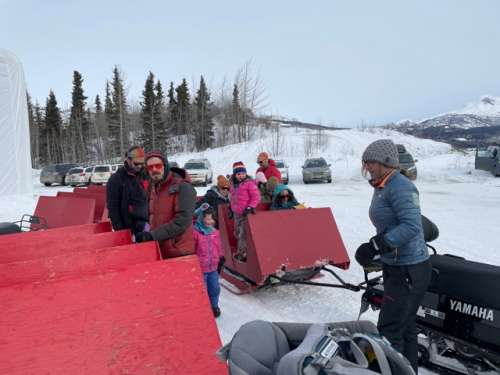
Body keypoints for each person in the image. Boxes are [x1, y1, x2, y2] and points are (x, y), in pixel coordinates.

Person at [355, 139, 431, 374]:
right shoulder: (382, 185)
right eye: (365, 162)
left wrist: (378, 244)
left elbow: (411, 226)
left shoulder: (401, 186)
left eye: (370, 162)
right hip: (397, 266)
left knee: (389, 331)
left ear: (386, 162)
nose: (367, 167)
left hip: (409, 269)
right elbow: (391, 223)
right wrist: (378, 250)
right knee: (405, 327)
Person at [134, 151, 197, 259]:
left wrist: (153, 236)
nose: (154, 170)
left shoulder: (183, 187)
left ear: (165, 166)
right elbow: (152, 214)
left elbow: (182, 222)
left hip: (178, 252)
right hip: (160, 250)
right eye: (150, 167)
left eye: (158, 165)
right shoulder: (153, 187)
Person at [106, 146, 149, 235]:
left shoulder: (146, 174)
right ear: (128, 160)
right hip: (130, 227)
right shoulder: (116, 179)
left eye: (142, 163)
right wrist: (121, 232)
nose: (140, 166)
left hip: (148, 224)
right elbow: (113, 208)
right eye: (136, 163)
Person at [193, 203, 224, 318]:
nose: (210, 221)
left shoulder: (215, 232)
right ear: (201, 218)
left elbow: (218, 246)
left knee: (215, 288)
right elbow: (192, 249)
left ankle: (214, 306)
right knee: (202, 290)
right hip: (201, 268)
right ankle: (203, 308)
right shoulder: (195, 232)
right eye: (208, 219)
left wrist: (221, 258)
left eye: (212, 219)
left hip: (213, 268)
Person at [230, 161, 260, 261]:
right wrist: (231, 208)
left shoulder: (249, 184)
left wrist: (250, 207)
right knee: (237, 232)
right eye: (238, 174)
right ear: (235, 175)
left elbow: (256, 197)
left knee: (243, 234)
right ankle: (244, 250)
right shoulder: (234, 185)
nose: (241, 176)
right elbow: (233, 198)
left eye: (243, 173)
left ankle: (241, 254)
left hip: (246, 214)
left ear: (245, 173)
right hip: (236, 214)